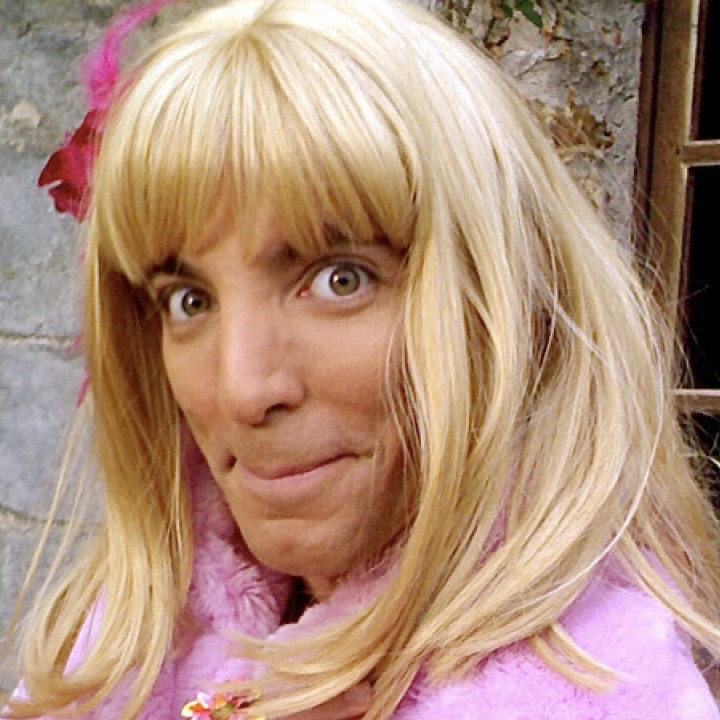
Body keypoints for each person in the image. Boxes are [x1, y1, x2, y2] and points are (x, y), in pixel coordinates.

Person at [4, 0, 720, 718]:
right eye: (189, 300)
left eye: (339, 280)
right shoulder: (126, 648)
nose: (242, 389)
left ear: (502, 304)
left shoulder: (597, 695)